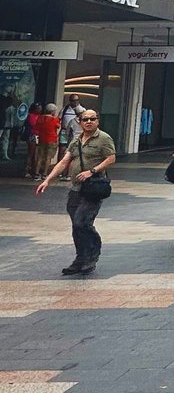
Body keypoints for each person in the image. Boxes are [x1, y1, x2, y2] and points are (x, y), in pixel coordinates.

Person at [35, 108, 116, 275]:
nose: (89, 122)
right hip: (76, 188)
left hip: (93, 187)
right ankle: (80, 259)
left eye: (92, 119)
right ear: (80, 122)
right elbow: (64, 162)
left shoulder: (103, 138)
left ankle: (92, 254)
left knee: (82, 222)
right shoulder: (76, 141)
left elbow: (111, 158)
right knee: (76, 225)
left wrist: (92, 171)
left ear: (97, 121)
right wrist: (48, 180)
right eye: (85, 119)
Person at [34, 104, 61, 183]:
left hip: (42, 139)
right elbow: (58, 126)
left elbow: (37, 127)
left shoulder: (40, 118)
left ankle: (36, 173)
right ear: (53, 111)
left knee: (40, 157)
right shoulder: (54, 119)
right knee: (48, 158)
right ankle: (44, 174)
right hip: (52, 139)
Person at [58, 94, 83, 160]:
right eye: (73, 100)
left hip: (76, 134)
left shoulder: (82, 110)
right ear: (70, 101)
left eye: (76, 100)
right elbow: (59, 119)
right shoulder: (65, 109)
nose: (75, 102)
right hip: (64, 133)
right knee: (62, 150)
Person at [25, 102, 41, 179]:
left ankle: (34, 170)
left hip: (38, 136)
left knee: (36, 154)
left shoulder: (39, 116)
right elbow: (34, 124)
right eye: (38, 108)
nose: (40, 109)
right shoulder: (31, 116)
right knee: (31, 153)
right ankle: (27, 170)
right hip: (32, 135)